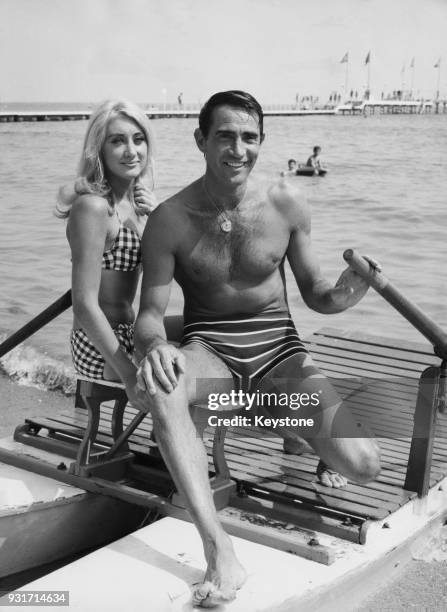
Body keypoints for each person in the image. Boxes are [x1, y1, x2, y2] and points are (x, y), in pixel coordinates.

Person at [133, 90, 381, 607]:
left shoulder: (286, 202)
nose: (237, 148)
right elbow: (150, 317)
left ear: (262, 143)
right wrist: (156, 346)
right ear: (201, 140)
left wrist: (343, 295)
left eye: (249, 137)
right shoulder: (170, 219)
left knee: (364, 465)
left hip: (279, 351)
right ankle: (218, 547)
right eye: (225, 135)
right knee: (164, 385)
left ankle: (287, 418)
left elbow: (314, 292)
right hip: (213, 351)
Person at [55, 99, 160, 411]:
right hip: (98, 345)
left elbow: (171, 274)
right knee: (183, 382)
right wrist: (129, 374)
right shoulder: (93, 207)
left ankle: (286, 422)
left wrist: (156, 218)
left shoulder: (135, 206)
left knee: (213, 329)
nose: (131, 150)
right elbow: (84, 305)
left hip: (131, 333)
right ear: (99, 149)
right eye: (117, 141)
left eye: (138, 139)